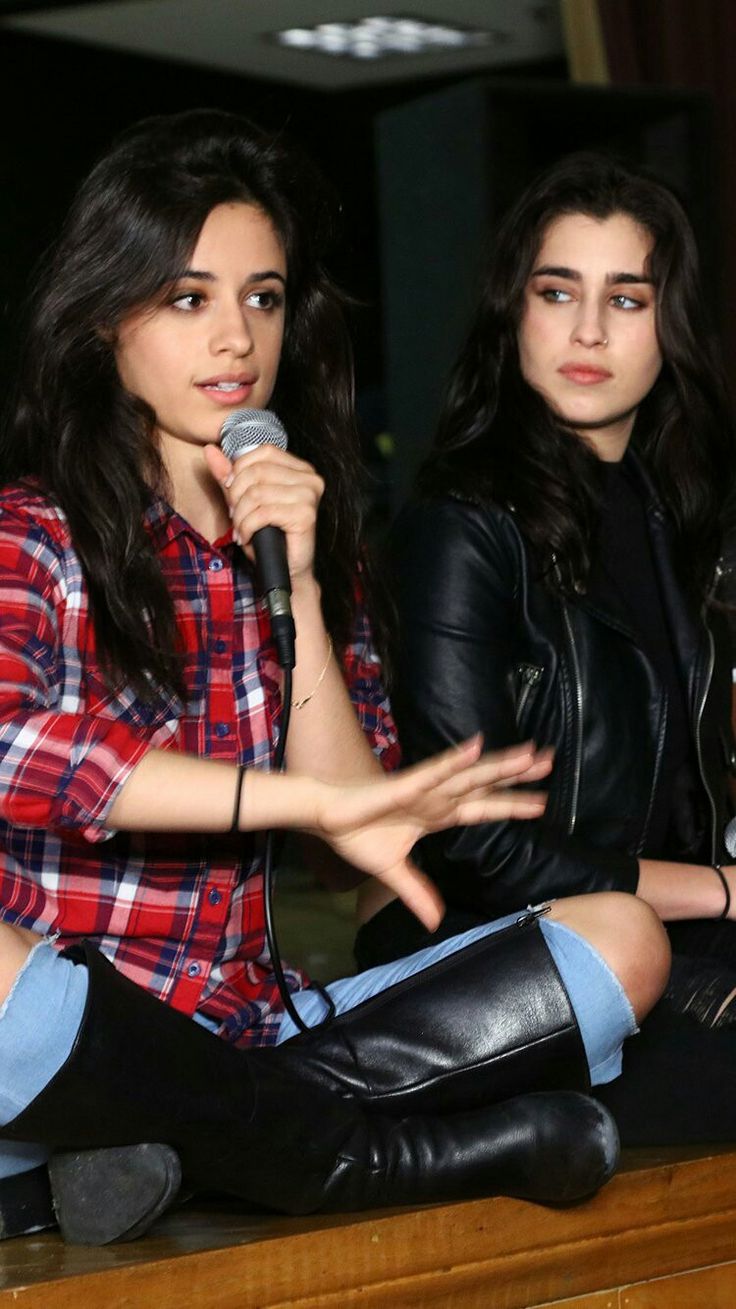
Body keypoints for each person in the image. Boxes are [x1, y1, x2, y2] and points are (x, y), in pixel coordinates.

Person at [0, 117, 669, 1245]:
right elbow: (14, 751)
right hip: (57, 1026)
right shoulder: (34, 534)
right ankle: (343, 1156)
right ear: (105, 316)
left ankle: (192, 1146)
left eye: (261, 298)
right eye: (186, 298)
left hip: (251, 1032)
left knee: (623, 938)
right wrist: (302, 802)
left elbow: (352, 834)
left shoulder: (304, 540)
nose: (234, 338)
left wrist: (301, 588)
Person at [358, 151, 736, 1143]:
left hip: (680, 937)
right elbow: (472, 842)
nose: (586, 330)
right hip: (509, 960)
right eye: (556, 290)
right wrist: (721, 891)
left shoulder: (682, 522)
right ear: (511, 312)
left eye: (626, 298)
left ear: (670, 327)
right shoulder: (460, 527)